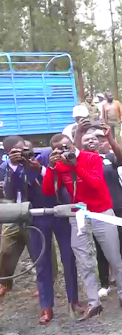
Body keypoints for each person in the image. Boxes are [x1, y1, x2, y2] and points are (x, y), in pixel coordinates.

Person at [42, 130, 122, 321]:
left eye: (66, 147)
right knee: (83, 258)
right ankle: (93, 302)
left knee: (113, 255)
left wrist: (75, 166)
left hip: (102, 212)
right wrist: (51, 167)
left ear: (73, 144)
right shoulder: (58, 165)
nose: (63, 151)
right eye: (57, 149)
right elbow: (48, 191)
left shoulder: (91, 158)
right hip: (79, 215)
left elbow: (97, 185)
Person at [0, 136, 82, 323]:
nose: (25, 153)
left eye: (25, 148)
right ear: (9, 154)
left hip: (58, 212)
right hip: (35, 217)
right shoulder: (7, 168)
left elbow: (61, 181)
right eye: (18, 152)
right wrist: (13, 167)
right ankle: (46, 307)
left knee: (68, 258)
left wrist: (42, 169)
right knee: (42, 263)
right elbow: (11, 195)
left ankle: (73, 300)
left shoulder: (44, 156)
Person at [78, 129, 122, 297]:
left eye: (95, 139)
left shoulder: (108, 158)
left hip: (117, 206)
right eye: (87, 139)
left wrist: (110, 138)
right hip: (96, 209)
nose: (92, 141)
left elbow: (121, 158)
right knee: (100, 246)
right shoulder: (80, 161)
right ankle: (105, 282)